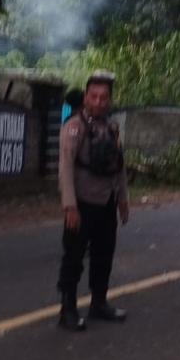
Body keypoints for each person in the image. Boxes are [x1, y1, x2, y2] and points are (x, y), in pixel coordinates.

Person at [57, 72, 131, 331]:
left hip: (106, 202)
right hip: (82, 203)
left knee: (103, 255)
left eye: (104, 97)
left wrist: (123, 199)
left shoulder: (112, 127)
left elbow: (119, 165)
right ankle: (67, 310)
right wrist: (70, 206)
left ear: (110, 100)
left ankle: (99, 303)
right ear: (86, 98)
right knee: (74, 258)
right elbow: (65, 167)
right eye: (93, 96)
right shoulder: (74, 127)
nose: (98, 102)